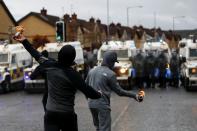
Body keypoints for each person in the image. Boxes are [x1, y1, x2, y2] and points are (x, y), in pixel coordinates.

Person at [14, 33, 101, 131]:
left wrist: (24, 40)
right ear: (72, 59)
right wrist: (99, 94)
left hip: (50, 113)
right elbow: (89, 92)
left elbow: (34, 53)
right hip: (67, 115)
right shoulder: (74, 75)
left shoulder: (48, 65)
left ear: (59, 55)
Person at [85, 51, 143, 131]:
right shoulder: (111, 74)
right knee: (105, 129)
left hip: (91, 105)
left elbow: (85, 88)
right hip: (103, 105)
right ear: (111, 62)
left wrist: (89, 100)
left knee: (98, 128)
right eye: (114, 62)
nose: (114, 64)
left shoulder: (91, 71)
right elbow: (119, 92)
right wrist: (134, 95)